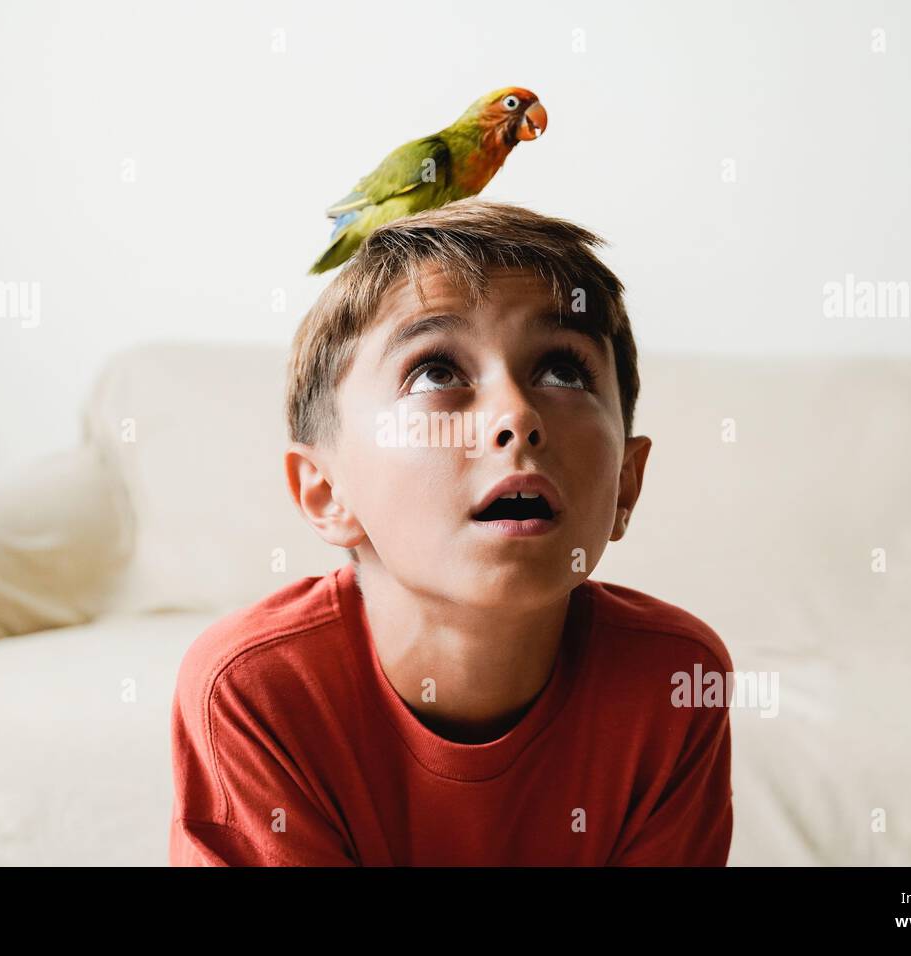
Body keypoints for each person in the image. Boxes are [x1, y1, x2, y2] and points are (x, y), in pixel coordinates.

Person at [169, 198, 734, 865]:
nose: (517, 417)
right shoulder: (254, 690)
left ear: (625, 484)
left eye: (563, 370)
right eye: (436, 371)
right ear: (326, 491)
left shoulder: (676, 680)